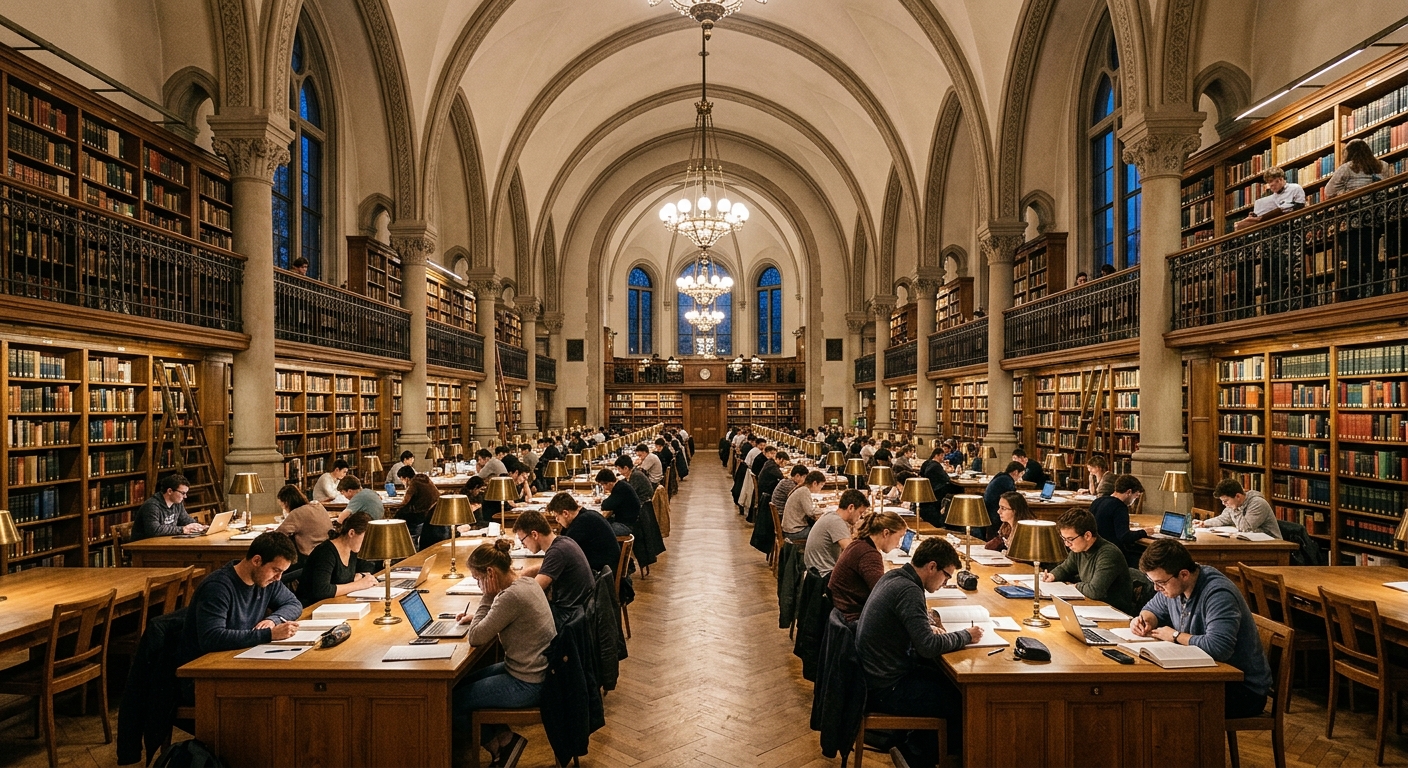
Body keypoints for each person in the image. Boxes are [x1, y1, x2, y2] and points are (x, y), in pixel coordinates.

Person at [856, 537, 981, 767]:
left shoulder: (895, 577)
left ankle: (917, 747)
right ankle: (917, 756)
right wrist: (966, 636)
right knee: (962, 700)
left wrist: (925, 624)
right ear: (932, 566)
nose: (945, 583)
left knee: (946, 682)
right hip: (885, 688)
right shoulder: (909, 590)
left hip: (873, 677)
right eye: (946, 575)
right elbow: (928, 647)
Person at [1131, 539, 1272, 719]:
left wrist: (1174, 635)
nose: (1157, 589)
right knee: (1147, 693)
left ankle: (1187, 747)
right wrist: (1144, 620)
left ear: (1183, 574)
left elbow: (1218, 648)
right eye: (1153, 582)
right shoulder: (1173, 587)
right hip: (1206, 676)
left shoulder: (1218, 594)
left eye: (1161, 583)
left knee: (1160, 703)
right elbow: (1153, 608)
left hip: (1242, 688)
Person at [452, 540, 556, 767]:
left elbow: (476, 637)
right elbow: (494, 621)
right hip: (536, 670)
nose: (479, 585)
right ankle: (507, 739)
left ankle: (497, 745)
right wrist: (486, 615)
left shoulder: (509, 597)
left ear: (490, 572)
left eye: (478, 579)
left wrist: (487, 597)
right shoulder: (526, 583)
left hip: (529, 682)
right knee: (456, 687)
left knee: (452, 701)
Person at [178, 532, 303, 662]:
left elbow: (293, 604)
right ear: (256, 560)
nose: (278, 578)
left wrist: (274, 620)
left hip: (240, 655)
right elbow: (211, 638)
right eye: (276, 570)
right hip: (204, 667)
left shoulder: (267, 581)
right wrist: (269, 634)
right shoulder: (217, 587)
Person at [1327, 139, 1392, 299]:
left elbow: (1329, 191)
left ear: (1349, 153)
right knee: (1372, 256)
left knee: (1353, 259)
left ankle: (1356, 294)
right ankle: (1378, 291)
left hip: (1353, 220)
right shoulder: (1382, 165)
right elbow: (1389, 185)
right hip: (1375, 218)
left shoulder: (1347, 168)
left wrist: (1343, 193)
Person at [1043, 508, 1136, 616]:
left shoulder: (1108, 554)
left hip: (1113, 612)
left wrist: (1076, 586)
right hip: (1091, 607)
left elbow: (1095, 591)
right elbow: (1066, 568)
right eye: (1064, 539)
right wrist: (1053, 575)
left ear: (1087, 536)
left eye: (1070, 539)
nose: (1067, 544)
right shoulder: (1079, 549)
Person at [828, 509, 907, 622]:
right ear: (886, 533)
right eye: (900, 536)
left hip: (843, 610)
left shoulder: (860, 544)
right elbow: (882, 593)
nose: (898, 544)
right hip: (853, 616)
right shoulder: (869, 555)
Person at [515, 509, 593, 611]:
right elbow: (546, 568)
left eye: (522, 540)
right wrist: (522, 574)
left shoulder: (557, 552)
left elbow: (533, 592)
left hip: (570, 616)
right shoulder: (563, 541)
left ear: (534, 534)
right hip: (581, 608)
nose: (524, 545)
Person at [295, 511, 378, 604]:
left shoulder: (352, 549)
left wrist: (360, 576)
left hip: (336, 603)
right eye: (365, 538)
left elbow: (367, 566)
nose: (368, 543)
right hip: (312, 606)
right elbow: (322, 591)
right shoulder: (326, 552)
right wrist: (358, 585)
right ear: (351, 533)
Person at [548, 492, 619, 573]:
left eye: (557, 517)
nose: (557, 520)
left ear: (565, 513)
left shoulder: (579, 525)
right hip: (608, 567)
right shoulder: (586, 515)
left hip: (604, 575)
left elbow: (563, 551)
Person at [1091, 474, 1149, 565]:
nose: (1134, 500)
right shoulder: (1120, 507)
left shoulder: (1098, 501)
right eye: (1136, 496)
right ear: (1129, 492)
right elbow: (1124, 537)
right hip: (1112, 554)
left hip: (1094, 551)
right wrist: (1144, 532)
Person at [804, 489, 866, 574]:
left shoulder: (831, 515)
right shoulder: (836, 522)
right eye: (860, 513)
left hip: (816, 572)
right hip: (824, 576)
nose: (860, 517)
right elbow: (852, 552)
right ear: (851, 508)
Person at [1199, 478, 1283, 539]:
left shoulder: (1258, 503)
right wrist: (1204, 523)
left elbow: (1245, 528)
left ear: (1238, 496)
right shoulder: (1234, 503)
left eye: (1226, 501)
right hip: (1251, 542)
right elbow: (1223, 519)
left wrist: (1235, 509)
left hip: (1271, 544)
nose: (1223, 504)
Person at [132, 473, 202, 541]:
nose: (185, 496)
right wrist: (182, 529)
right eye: (183, 493)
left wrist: (199, 527)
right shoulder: (151, 506)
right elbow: (154, 530)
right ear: (170, 491)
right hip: (144, 547)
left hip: (163, 542)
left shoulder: (177, 503)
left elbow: (185, 519)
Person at [273, 484, 331, 561]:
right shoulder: (318, 506)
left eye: (282, 505)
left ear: (286, 503)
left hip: (309, 556)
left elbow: (278, 534)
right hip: (328, 551)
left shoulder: (297, 513)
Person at [1239, 166, 1305, 227]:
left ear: (1281, 179)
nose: (1270, 185)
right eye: (1268, 182)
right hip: (1276, 226)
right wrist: (1255, 215)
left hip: (1294, 224)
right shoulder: (1270, 196)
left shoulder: (1295, 188)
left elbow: (1300, 206)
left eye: (1271, 181)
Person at [396, 464, 442, 548]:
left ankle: (401, 542)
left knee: (399, 515)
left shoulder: (414, 482)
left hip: (423, 514)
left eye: (401, 479)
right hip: (435, 510)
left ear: (406, 478)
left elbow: (405, 502)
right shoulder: (424, 478)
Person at [917, 447, 956, 528]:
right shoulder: (936, 466)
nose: (943, 458)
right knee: (956, 491)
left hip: (927, 490)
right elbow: (946, 478)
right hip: (937, 491)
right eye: (942, 456)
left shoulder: (927, 463)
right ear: (936, 455)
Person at [782, 471, 826, 542]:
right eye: (821, 485)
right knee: (823, 533)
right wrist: (824, 511)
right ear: (814, 483)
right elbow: (810, 512)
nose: (821, 488)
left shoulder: (803, 489)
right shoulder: (804, 491)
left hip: (790, 528)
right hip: (794, 531)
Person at [982, 462, 1024, 535]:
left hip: (989, 511)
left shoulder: (1002, 477)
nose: (1021, 477)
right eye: (1021, 474)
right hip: (995, 514)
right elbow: (1012, 498)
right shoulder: (1007, 481)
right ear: (1016, 472)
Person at [597, 467, 639, 537]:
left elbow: (606, 505)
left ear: (609, 483)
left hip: (627, 525)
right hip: (630, 521)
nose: (603, 487)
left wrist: (602, 502)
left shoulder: (620, 489)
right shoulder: (621, 485)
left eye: (602, 484)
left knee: (599, 530)